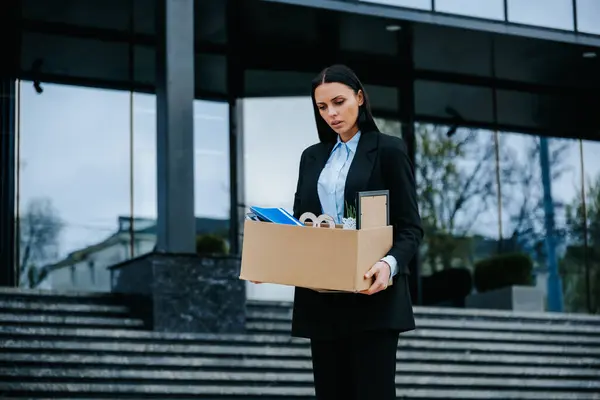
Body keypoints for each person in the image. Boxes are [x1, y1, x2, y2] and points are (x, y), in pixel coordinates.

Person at [291, 64, 424, 400]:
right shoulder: (312, 157)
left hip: (372, 296)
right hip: (322, 299)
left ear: (360, 97)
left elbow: (410, 228)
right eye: (322, 107)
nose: (332, 114)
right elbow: (299, 224)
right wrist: (275, 260)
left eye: (339, 102)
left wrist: (389, 264)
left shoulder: (389, 150)